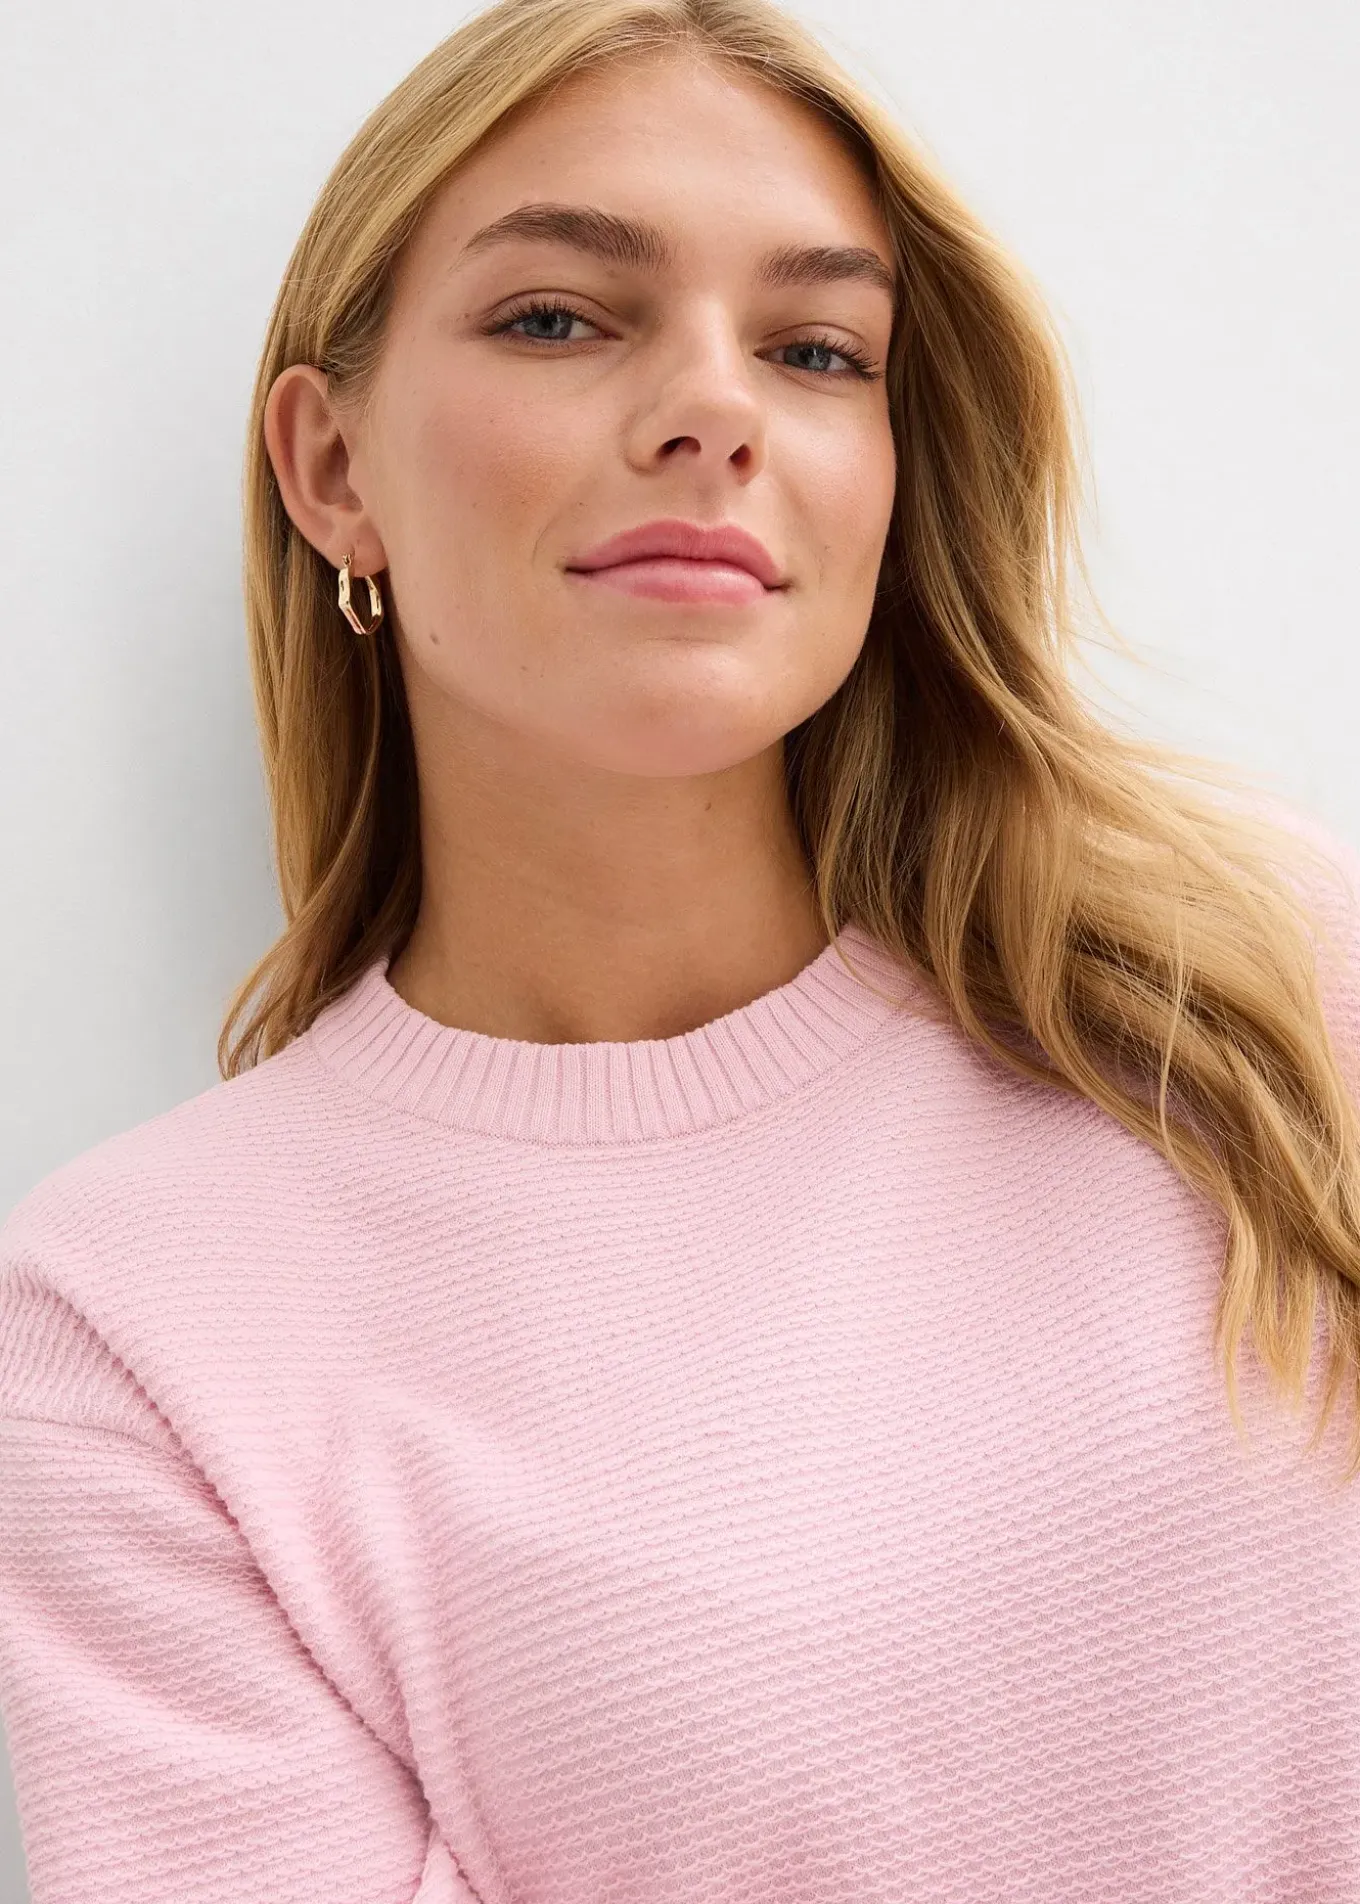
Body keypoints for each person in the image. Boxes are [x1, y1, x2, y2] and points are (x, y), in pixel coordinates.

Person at [3, 0, 1360, 1897]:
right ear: (332, 469)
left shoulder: (1256, 996)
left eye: (817, 351)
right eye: (560, 317)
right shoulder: (145, 1323)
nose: (716, 407)